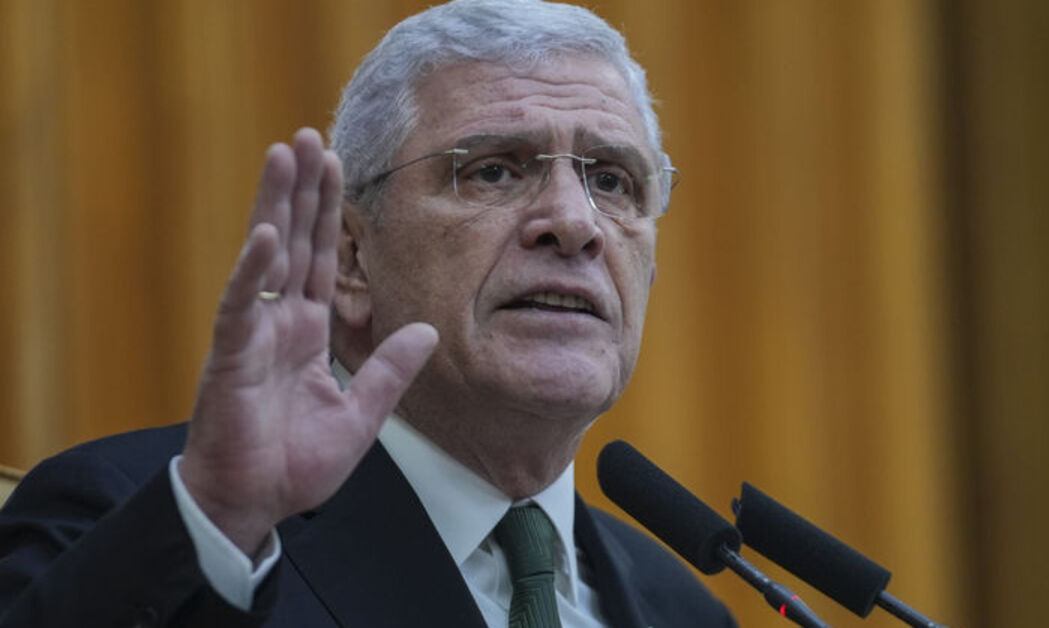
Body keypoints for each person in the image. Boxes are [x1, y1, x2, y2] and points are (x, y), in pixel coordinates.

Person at [0, 1, 735, 626]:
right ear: (350, 257)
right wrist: (219, 521)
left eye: (612, 181)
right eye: (494, 171)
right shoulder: (145, 524)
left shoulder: (684, 610)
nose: (575, 223)